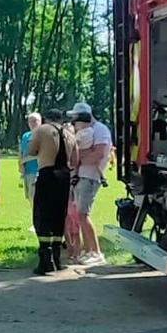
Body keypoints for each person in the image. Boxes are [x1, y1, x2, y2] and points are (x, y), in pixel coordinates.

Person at [30, 108, 75, 275]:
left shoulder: (42, 130)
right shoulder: (70, 135)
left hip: (47, 174)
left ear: (47, 118)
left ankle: (45, 260)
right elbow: (75, 160)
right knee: (59, 215)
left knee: (42, 215)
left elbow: (31, 150)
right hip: (64, 176)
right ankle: (57, 258)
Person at [69, 101, 112, 266]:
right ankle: (89, 251)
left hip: (91, 176)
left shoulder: (100, 129)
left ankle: (97, 252)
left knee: (83, 214)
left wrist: (79, 158)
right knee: (81, 215)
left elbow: (99, 154)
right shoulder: (86, 131)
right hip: (82, 176)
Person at [19, 112, 42, 203]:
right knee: (29, 197)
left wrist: (25, 160)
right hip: (26, 172)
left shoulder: (42, 135)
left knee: (34, 198)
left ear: (40, 122)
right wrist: (20, 164)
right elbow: (21, 151)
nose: (32, 123)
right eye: (30, 121)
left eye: (35, 121)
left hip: (37, 171)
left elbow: (41, 154)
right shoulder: (25, 136)